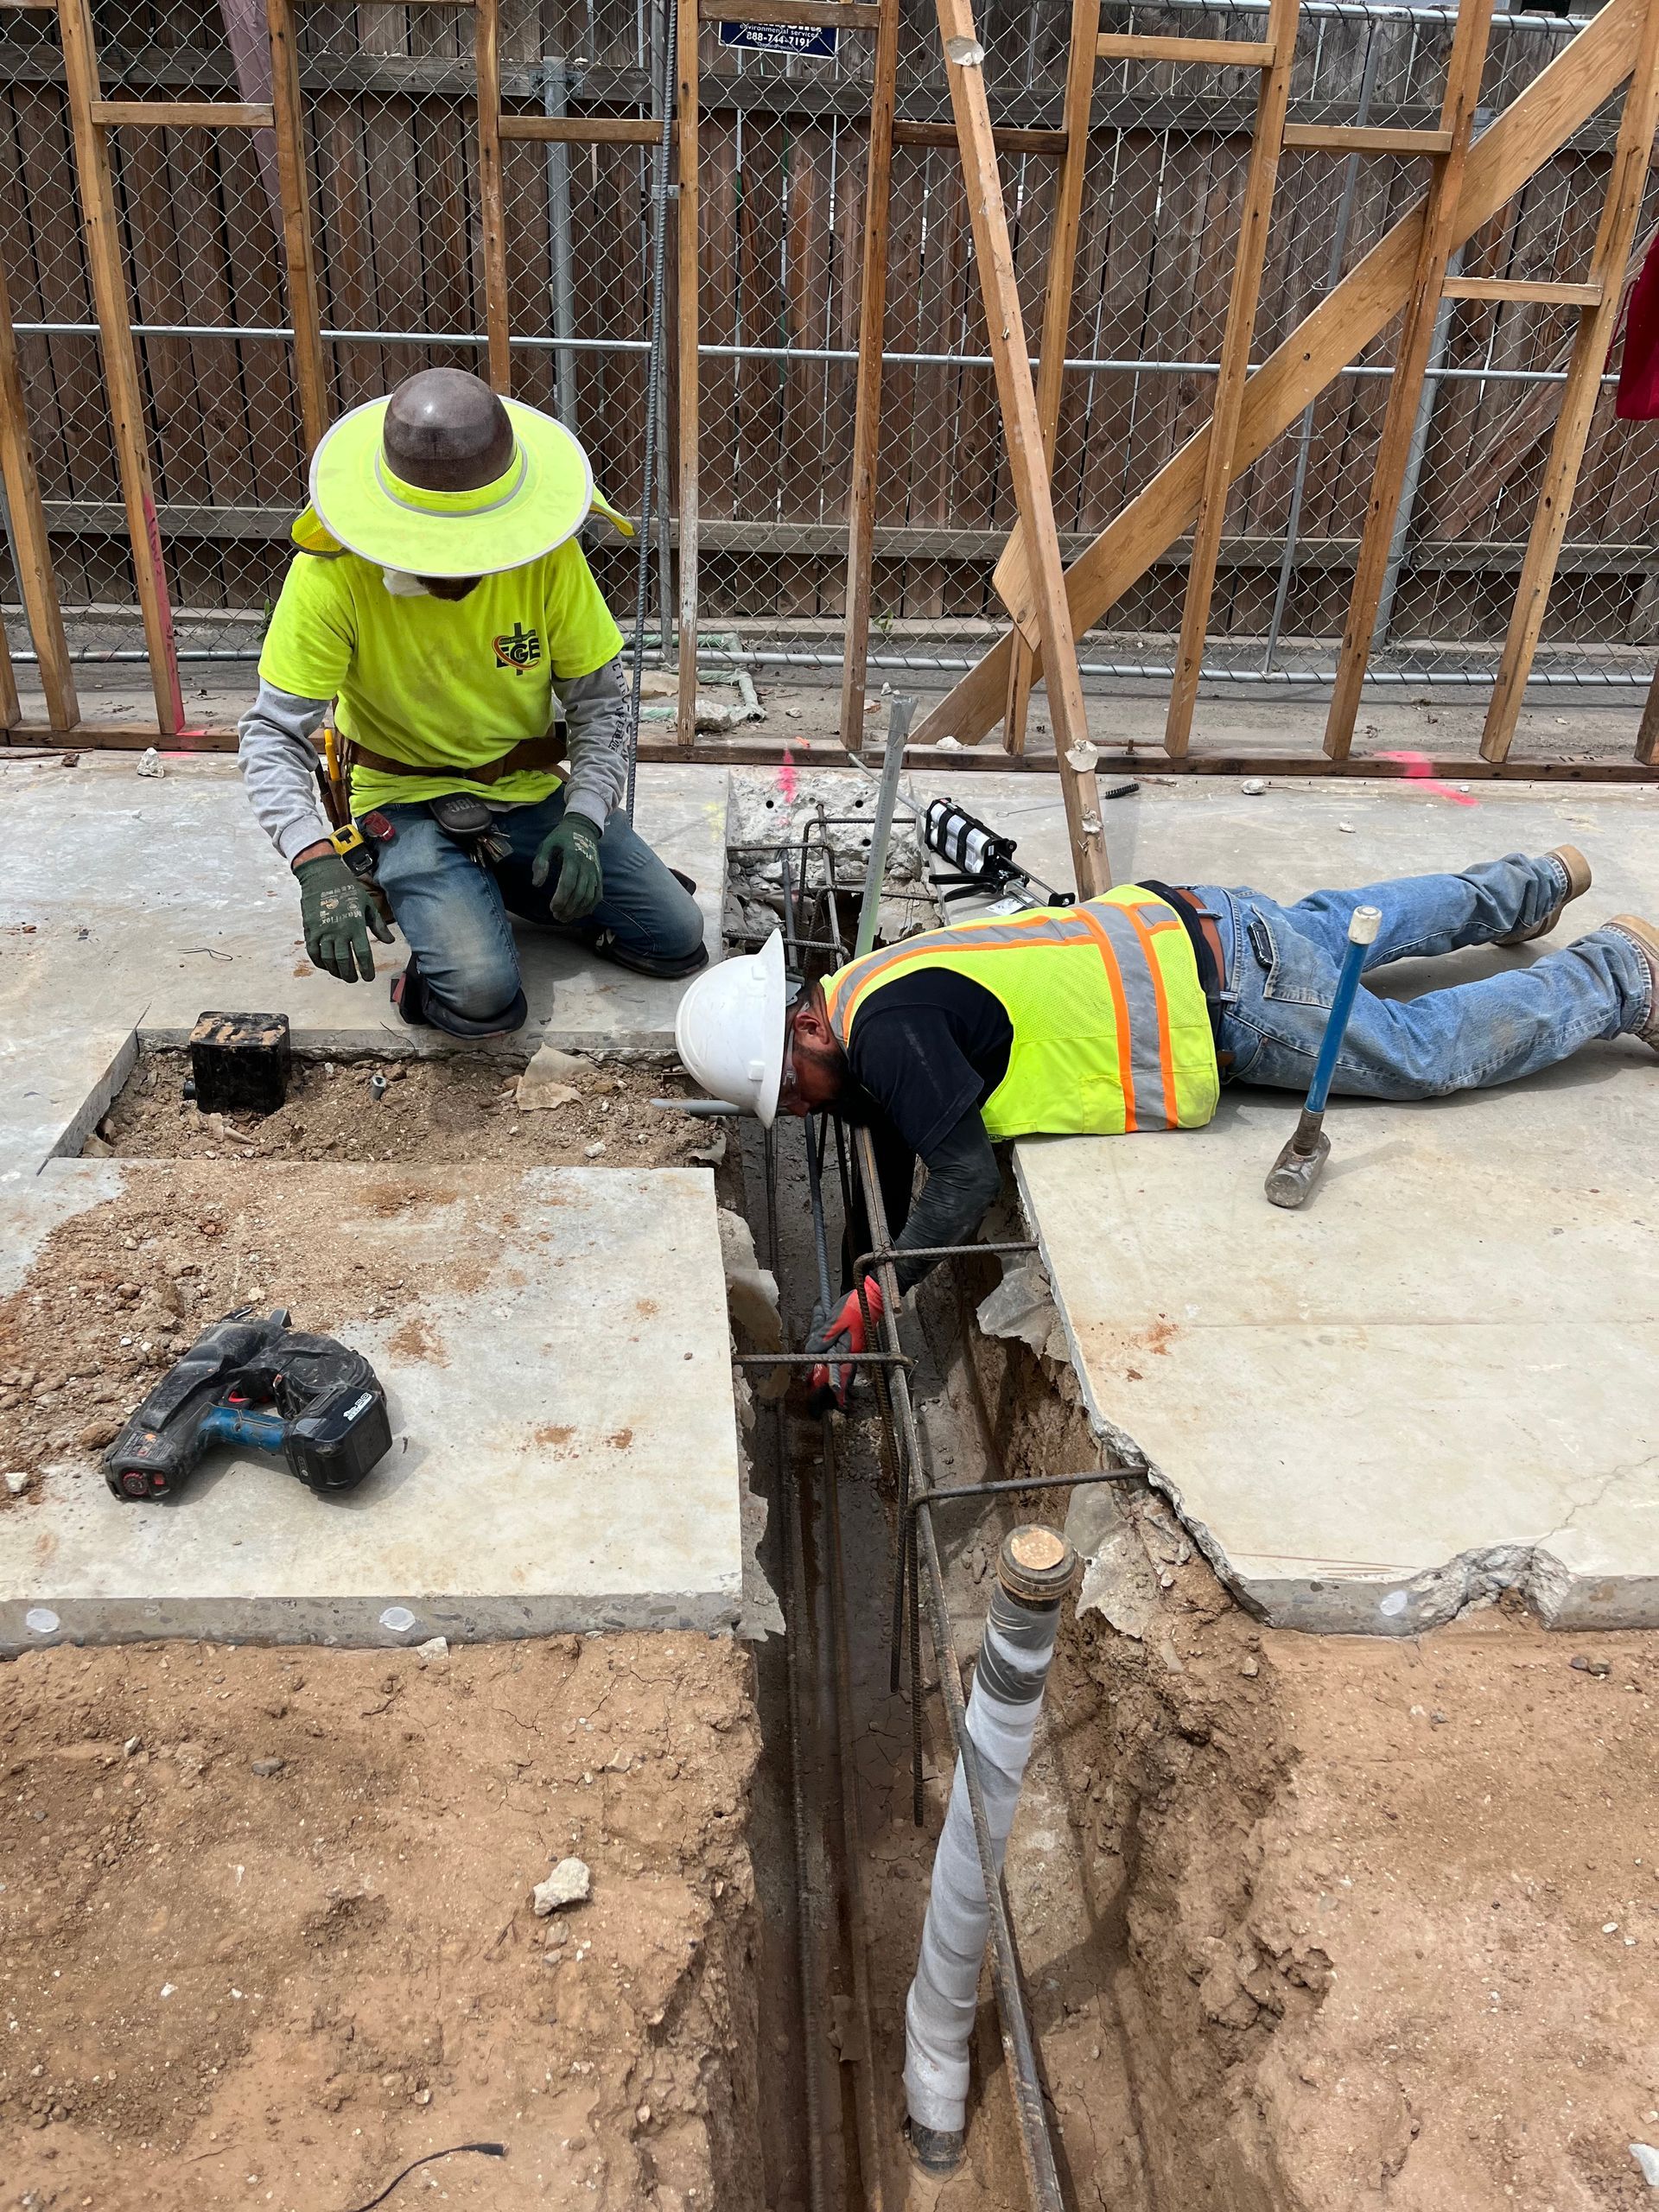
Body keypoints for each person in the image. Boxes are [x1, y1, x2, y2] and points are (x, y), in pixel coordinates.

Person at [674, 847, 1657, 1394]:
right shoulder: (862, 995)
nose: (799, 1109)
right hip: (1199, 918)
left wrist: (881, 1301)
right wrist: (859, 1282)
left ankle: (1618, 973)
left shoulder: (888, 1040)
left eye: (790, 1089)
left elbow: (963, 1179)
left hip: (1225, 1003)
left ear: (802, 1023)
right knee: (1350, 918)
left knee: (1420, 1050)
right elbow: (888, 1140)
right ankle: (1538, 879)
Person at [238, 368, 706, 1036]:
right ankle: (440, 933)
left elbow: (602, 708)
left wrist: (585, 820)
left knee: (676, 939)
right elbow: (272, 735)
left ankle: (489, 886)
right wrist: (314, 861)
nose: (459, 566)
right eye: (437, 548)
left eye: (476, 547)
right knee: (483, 996)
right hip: (402, 799)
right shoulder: (331, 573)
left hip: (526, 790)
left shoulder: (547, 558)